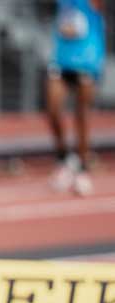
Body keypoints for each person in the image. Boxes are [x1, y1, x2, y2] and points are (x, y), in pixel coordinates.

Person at [46, 0, 106, 196]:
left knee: (82, 116)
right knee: (53, 109)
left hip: (87, 62)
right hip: (62, 62)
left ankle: (82, 169)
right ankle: (64, 160)